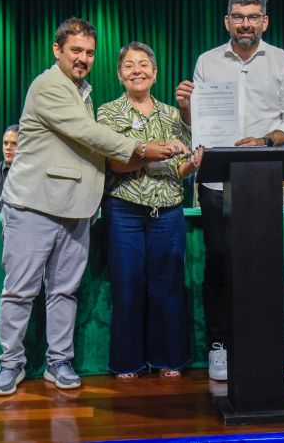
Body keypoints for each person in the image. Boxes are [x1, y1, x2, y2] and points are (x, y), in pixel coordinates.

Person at [0, 18, 183, 396]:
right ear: (57, 50)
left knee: (64, 291)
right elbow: (90, 134)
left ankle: (58, 361)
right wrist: (143, 148)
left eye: (90, 52)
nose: (83, 58)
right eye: (76, 50)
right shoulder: (48, 85)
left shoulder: (83, 91)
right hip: (34, 205)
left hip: (77, 208)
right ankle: (10, 364)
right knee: (20, 291)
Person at [174, 0, 284, 381]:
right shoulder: (207, 62)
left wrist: (264, 142)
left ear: (265, 21)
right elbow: (197, 126)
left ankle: (265, 347)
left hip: (263, 183)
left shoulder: (283, 62)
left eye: (253, 17)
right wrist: (186, 109)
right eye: (238, 17)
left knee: (263, 266)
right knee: (219, 264)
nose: (245, 23)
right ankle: (220, 345)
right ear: (227, 21)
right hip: (216, 184)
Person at [98, 42, 202, 380]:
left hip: (168, 211)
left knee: (168, 287)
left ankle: (169, 359)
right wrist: (151, 153)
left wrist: (193, 164)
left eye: (144, 64)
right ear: (119, 74)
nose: (137, 71)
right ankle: (127, 362)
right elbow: (113, 162)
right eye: (129, 65)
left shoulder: (172, 114)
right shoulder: (108, 113)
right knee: (127, 286)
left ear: (155, 73)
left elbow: (178, 169)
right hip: (124, 211)